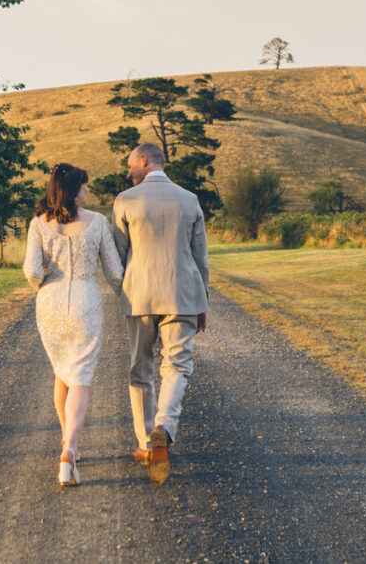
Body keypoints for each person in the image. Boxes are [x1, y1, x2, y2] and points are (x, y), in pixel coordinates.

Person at [111, 143, 209, 484]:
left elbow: (118, 257)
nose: (128, 173)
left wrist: (121, 291)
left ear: (143, 160)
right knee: (178, 366)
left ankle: (144, 444)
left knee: (141, 369)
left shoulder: (125, 200)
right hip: (182, 295)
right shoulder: (190, 199)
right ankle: (164, 427)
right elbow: (201, 258)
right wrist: (202, 302)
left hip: (138, 297)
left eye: (130, 166)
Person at [23, 162, 125, 486]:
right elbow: (115, 272)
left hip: (50, 304)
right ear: (73, 189)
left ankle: (68, 443)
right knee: (80, 376)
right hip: (86, 303)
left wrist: (44, 281)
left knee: (62, 373)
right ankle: (70, 448)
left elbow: (31, 271)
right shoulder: (97, 222)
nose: (88, 191)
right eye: (85, 185)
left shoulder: (38, 224)